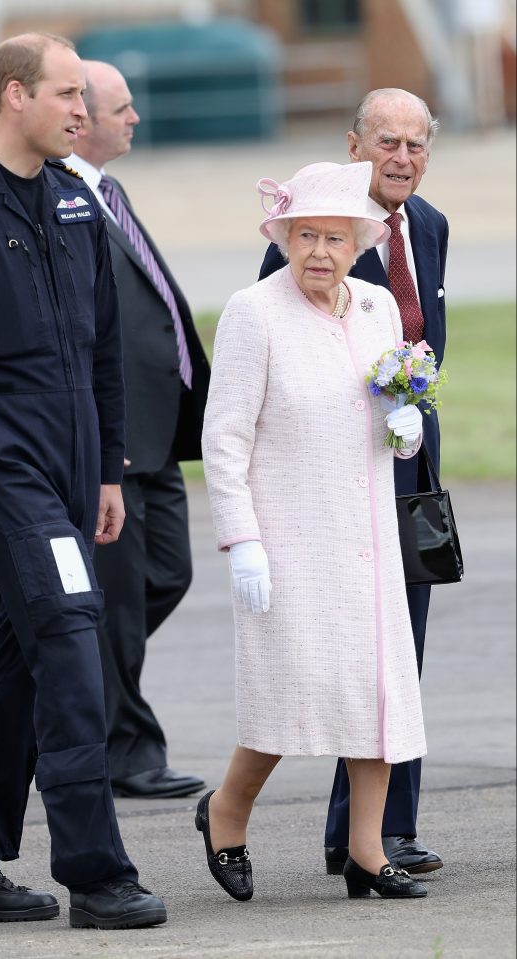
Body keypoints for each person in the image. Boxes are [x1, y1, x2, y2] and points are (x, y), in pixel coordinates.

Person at [0, 33, 166, 929]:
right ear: (14, 96)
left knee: (19, 657)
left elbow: (102, 354)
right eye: (67, 94)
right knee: (72, 644)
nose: (82, 110)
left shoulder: (76, 203)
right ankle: (97, 871)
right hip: (2, 472)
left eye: (85, 96)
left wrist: (111, 472)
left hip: (75, 471)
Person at [199, 159, 430, 902]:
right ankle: (227, 812)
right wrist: (242, 542)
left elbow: (390, 411)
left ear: (361, 241)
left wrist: (406, 430)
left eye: (335, 237)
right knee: (286, 693)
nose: (320, 252)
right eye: (306, 236)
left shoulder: (375, 308)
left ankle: (366, 849)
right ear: (285, 236)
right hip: (286, 538)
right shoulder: (253, 311)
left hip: (367, 536)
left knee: (377, 690)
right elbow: (223, 440)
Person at [259, 88, 447, 876]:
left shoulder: (428, 225)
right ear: (352, 145)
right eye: (385, 142)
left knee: (402, 645)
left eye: (414, 144)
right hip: (331, 470)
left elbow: (425, 342)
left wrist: (412, 409)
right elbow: (280, 338)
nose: (400, 158)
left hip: (407, 458)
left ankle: (379, 831)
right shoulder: (316, 223)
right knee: (345, 651)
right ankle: (329, 824)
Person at [65, 60, 209, 799]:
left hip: (158, 430)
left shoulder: (107, 191)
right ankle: (127, 750)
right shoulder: (60, 199)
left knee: (167, 575)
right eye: (122, 108)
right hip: (112, 441)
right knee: (117, 602)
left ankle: (63, 685)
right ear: (80, 117)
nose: (135, 119)